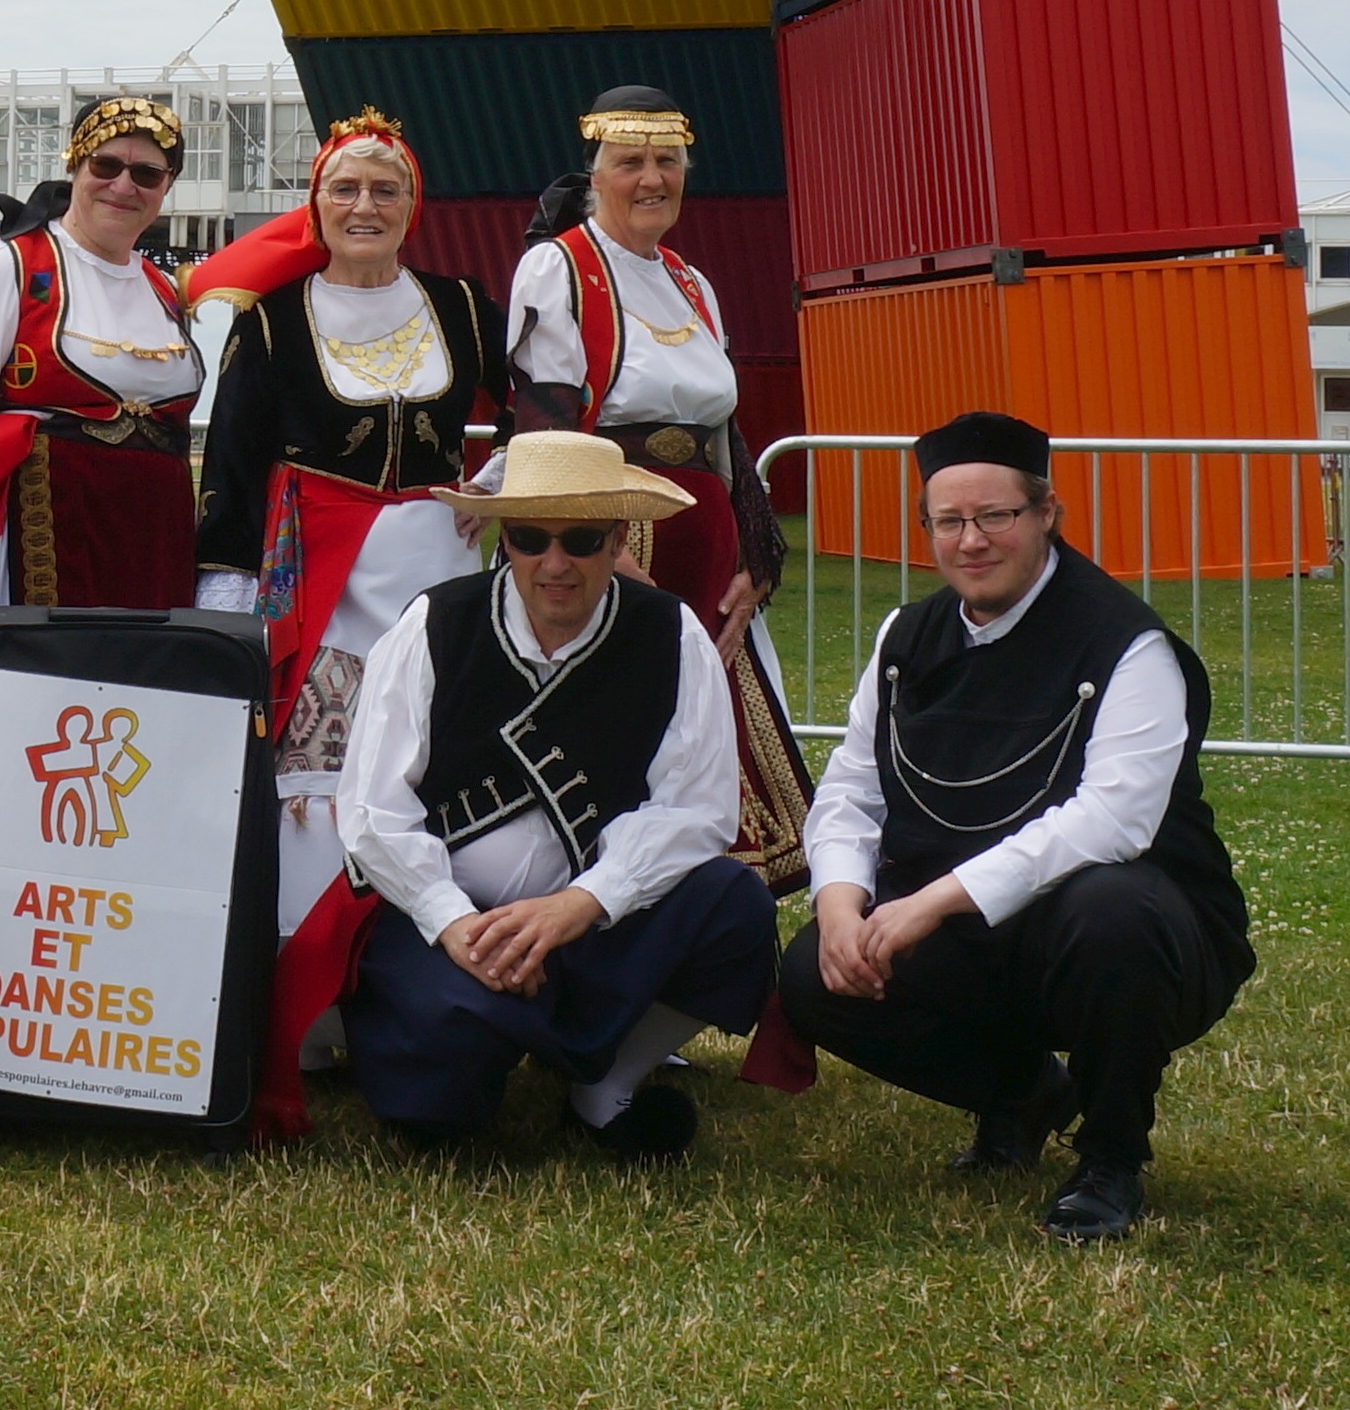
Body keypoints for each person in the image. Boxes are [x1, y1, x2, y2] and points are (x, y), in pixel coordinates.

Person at [779, 411, 1256, 1242]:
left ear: (1046, 514)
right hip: (970, 929)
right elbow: (854, 790)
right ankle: (1025, 1094)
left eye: (995, 516)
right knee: (815, 975)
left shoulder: (1128, 644)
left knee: (1112, 911)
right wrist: (840, 902)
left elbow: (1114, 820)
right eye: (949, 521)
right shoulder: (905, 638)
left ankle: (1111, 1159)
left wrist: (932, 901)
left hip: (1128, 930)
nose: (971, 541)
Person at [185, 107, 503, 1132]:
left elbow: (539, 405)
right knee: (314, 786)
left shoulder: (462, 304)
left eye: (385, 188)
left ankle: (417, 991)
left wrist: (504, 476)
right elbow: (233, 466)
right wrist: (228, 601)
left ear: (415, 204)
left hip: (439, 572)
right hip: (319, 575)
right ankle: (311, 1015)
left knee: (429, 771)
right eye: (345, 188)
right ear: (316, 203)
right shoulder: (274, 318)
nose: (365, 205)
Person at [336, 433, 780, 1157]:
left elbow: (696, 808)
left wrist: (583, 903)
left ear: (617, 540)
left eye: (580, 540)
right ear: (503, 540)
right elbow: (371, 808)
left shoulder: (671, 633)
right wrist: (454, 923)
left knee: (736, 911)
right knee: (437, 1103)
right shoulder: (435, 623)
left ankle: (605, 1083)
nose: (554, 563)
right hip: (451, 921)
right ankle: (505, 1026)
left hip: (593, 923)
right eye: (528, 538)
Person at [503, 84, 811, 891]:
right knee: (624, 718)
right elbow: (547, 424)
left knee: (708, 716)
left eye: (667, 162)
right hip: (619, 539)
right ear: (595, 173)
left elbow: (727, 436)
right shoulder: (560, 267)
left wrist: (756, 559)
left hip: (706, 543)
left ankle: (707, 896)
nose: (651, 179)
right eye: (630, 162)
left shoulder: (692, 281)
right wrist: (599, 553)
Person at [0, 93, 203, 636]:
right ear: (75, 165)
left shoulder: (164, 290)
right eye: (106, 165)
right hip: (38, 547)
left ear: (166, 187)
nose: (123, 186)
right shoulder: (12, 266)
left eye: (146, 174)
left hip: (150, 554)